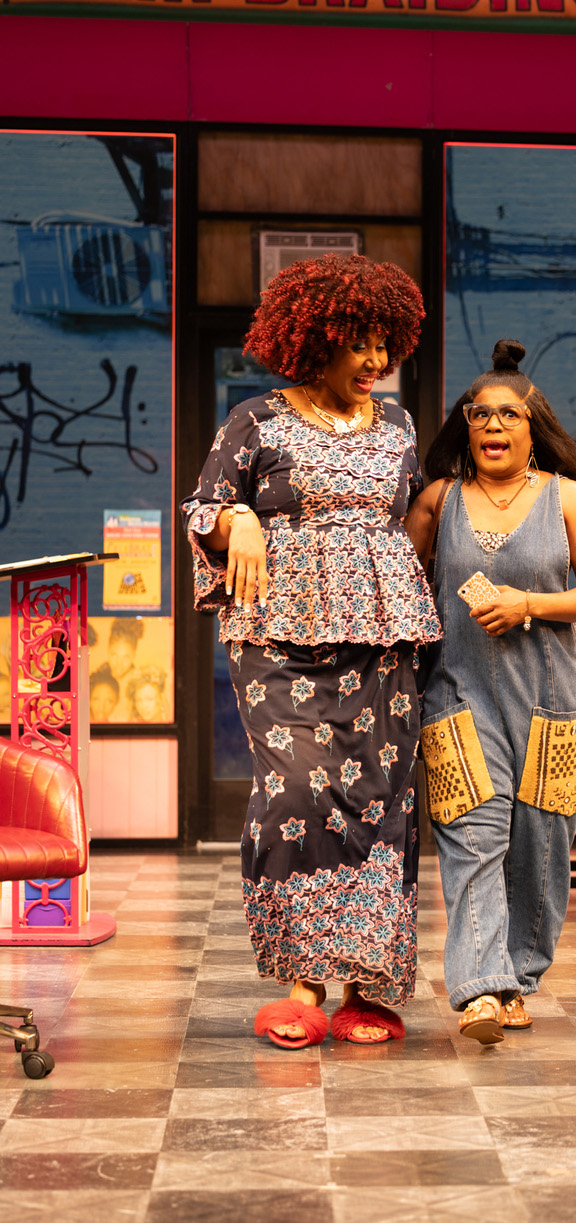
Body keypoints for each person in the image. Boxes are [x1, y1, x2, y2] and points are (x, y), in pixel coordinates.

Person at [181, 253, 439, 1049]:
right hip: (280, 635)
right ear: (313, 338)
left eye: (382, 344)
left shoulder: (395, 425)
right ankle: (300, 979)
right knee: (297, 791)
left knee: (382, 797)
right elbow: (203, 504)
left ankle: (366, 985)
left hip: (384, 635)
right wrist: (243, 521)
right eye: (357, 343)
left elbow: (414, 520)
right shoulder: (256, 420)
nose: (373, 361)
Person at [406, 339, 576, 1045]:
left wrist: (528, 603)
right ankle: (479, 991)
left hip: (551, 701)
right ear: (465, 426)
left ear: (533, 427)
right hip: (457, 695)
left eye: (507, 414)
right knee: (472, 836)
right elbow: (402, 592)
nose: (492, 425)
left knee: (541, 846)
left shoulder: (569, 498)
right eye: (478, 413)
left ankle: (517, 977)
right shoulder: (439, 502)